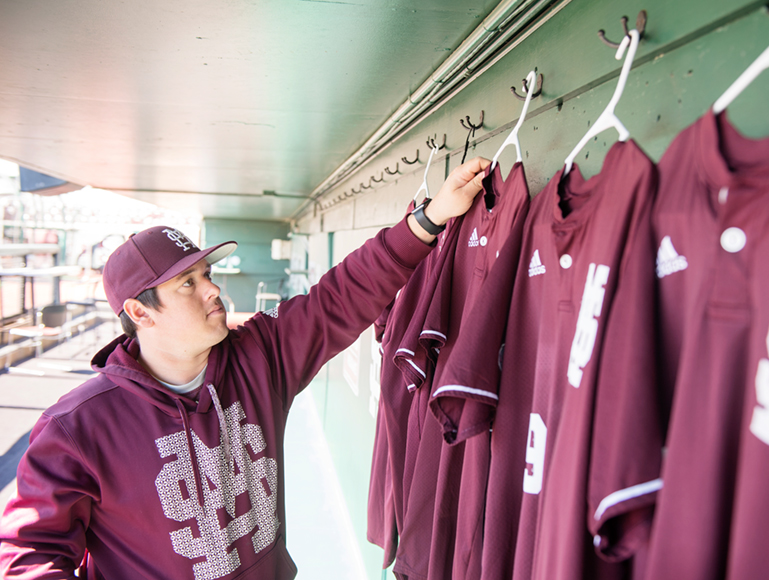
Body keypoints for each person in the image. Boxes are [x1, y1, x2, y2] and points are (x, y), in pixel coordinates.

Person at [0, 157, 490, 580]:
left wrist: (428, 221)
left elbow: (338, 297)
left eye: (206, 274)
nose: (212, 290)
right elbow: (30, 554)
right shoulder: (76, 428)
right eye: (187, 284)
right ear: (140, 312)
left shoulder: (260, 354)